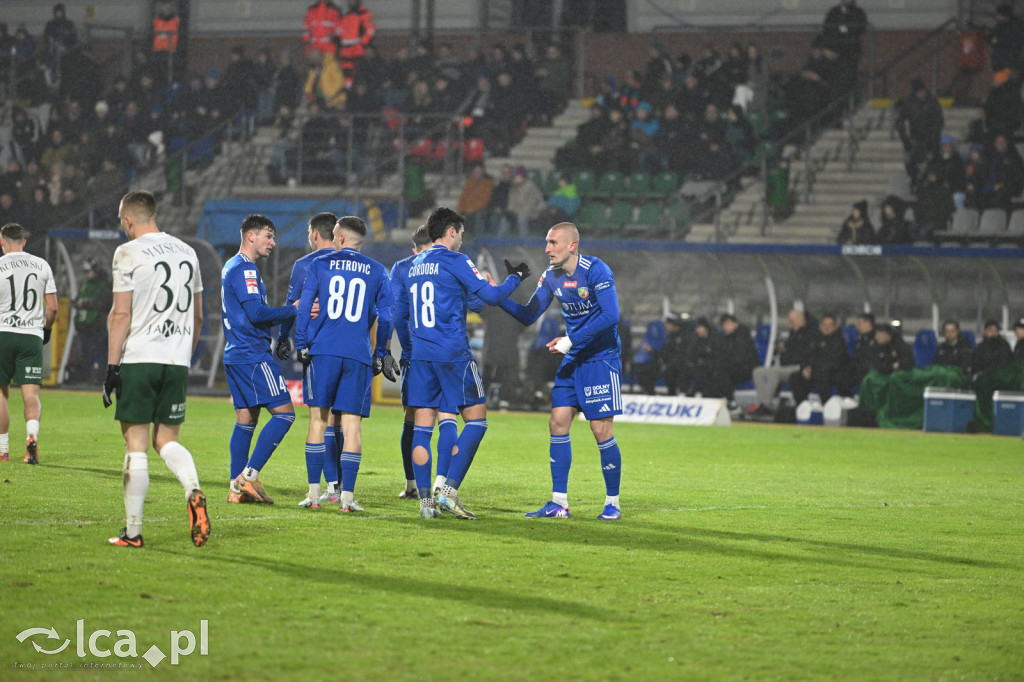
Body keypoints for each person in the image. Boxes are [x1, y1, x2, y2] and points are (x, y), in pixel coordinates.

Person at [395, 206, 528, 519]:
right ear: (451, 230)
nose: (462, 241)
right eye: (461, 234)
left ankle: (426, 503)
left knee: (423, 430)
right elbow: (492, 299)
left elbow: (467, 301)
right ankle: (448, 491)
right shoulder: (456, 260)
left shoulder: (414, 265)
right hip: (453, 355)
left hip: (422, 357)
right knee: (477, 422)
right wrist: (514, 279)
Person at [496, 222, 625, 521]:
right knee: (557, 422)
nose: (547, 248)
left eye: (553, 242)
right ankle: (558, 503)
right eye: (546, 242)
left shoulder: (596, 271)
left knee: (600, 429)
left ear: (572, 245)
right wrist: (497, 296)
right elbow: (529, 314)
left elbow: (611, 315)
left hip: (601, 359)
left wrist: (570, 339)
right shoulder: (550, 276)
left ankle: (613, 503)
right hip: (573, 357)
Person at [101, 191, 208, 548]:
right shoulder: (187, 252)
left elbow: (120, 314)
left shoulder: (128, 252)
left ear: (128, 219)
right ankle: (193, 488)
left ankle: (132, 532)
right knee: (168, 440)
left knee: (136, 445)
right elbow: (198, 317)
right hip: (176, 358)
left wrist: (112, 366)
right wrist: (183, 357)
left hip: (140, 357)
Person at [295, 216, 397, 513]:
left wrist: (301, 343)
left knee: (318, 421)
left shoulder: (319, 264)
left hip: (324, 351)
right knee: (352, 426)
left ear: (339, 238)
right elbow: (387, 315)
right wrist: (381, 351)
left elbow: (305, 307)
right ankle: (348, 499)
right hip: (358, 354)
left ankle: (314, 495)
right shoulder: (378, 271)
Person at [221, 215, 298, 505]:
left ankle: (234, 488)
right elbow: (256, 314)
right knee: (285, 414)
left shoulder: (233, 266)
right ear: (250, 236)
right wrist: (293, 310)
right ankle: (248, 477)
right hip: (251, 354)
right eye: (268, 235)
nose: (273, 242)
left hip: (236, 354)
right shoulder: (245, 270)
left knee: (246, 419)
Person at [276, 212, 340, 508]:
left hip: (316, 351)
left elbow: (293, 307)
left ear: (315, 234)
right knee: (344, 420)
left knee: (320, 419)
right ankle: (343, 487)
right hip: (349, 350)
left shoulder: (306, 265)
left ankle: (327, 487)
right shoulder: (353, 265)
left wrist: (282, 339)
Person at [0, 223, 57, 465]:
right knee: (31, 394)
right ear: (24, 242)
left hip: (2, 332)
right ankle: (31, 436)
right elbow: (52, 307)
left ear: (2, 242)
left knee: (1, 393)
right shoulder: (41, 264)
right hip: (31, 336)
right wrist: (46, 330)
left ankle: (3, 451)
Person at [747, 309, 819, 418]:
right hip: (788, 366)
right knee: (758, 371)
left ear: (801, 319)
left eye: (792, 321)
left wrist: (791, 355)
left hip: (801, 366)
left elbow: (808, 354)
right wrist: (784, 351)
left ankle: (765, 405)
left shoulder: (811, 333)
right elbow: (788, 353)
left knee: (773, 373)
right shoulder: (793, 333)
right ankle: (762, 404)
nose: (790, 324)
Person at [788, 313, 848, 405]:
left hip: (831, 374)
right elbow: (806, 356)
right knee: (795, 378)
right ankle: (802, 406)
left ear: (835, 327)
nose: (826, 328)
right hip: (814, 372)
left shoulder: (839, 341)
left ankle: (826, 406)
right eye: (824, 325)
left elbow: (834, 362)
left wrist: (814, 369)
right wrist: (805, 367)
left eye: (829, 325)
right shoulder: (814, 339)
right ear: (820, 326)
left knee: (822, 376)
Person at [72, 258, 111, 383]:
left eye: (88, 272)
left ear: (95, 271)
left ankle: (102, 378)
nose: (86, 275)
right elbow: (78, 298)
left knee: (101, 353)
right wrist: (77, 303)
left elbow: (103, 303)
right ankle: (85, 377)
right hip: (84, 325)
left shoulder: (105, 284)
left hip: (98, 325)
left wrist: (84, 303)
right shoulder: (85, 284)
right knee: (85, 353)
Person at [338, 0, 375, 86]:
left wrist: (362, 44)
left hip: (357, 49)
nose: (351, 2)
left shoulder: (364, 13)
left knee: (359, 74)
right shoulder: (346, 15)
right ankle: (349, 92)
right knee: (346, 75)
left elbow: (370, 30)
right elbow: (341, 32)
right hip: (345, 50)